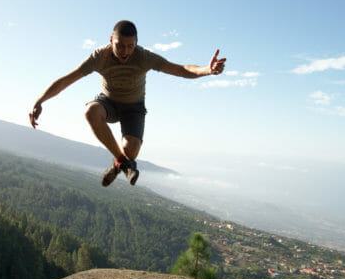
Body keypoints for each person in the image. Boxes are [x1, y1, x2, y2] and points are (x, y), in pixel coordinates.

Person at [29, 20, 226, 186]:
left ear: (136, 43)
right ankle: (125, 163)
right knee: (91, 112)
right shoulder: (99, 57)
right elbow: (67, 80)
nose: (125, 51)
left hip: (134, 109)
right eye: (120, 45)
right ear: (110, 41)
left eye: (130, 46)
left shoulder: (142, 57)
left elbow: (180, 69)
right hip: (109, 102)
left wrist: (207, 70)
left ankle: (118, 164)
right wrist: (40, 100)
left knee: (131, 148)